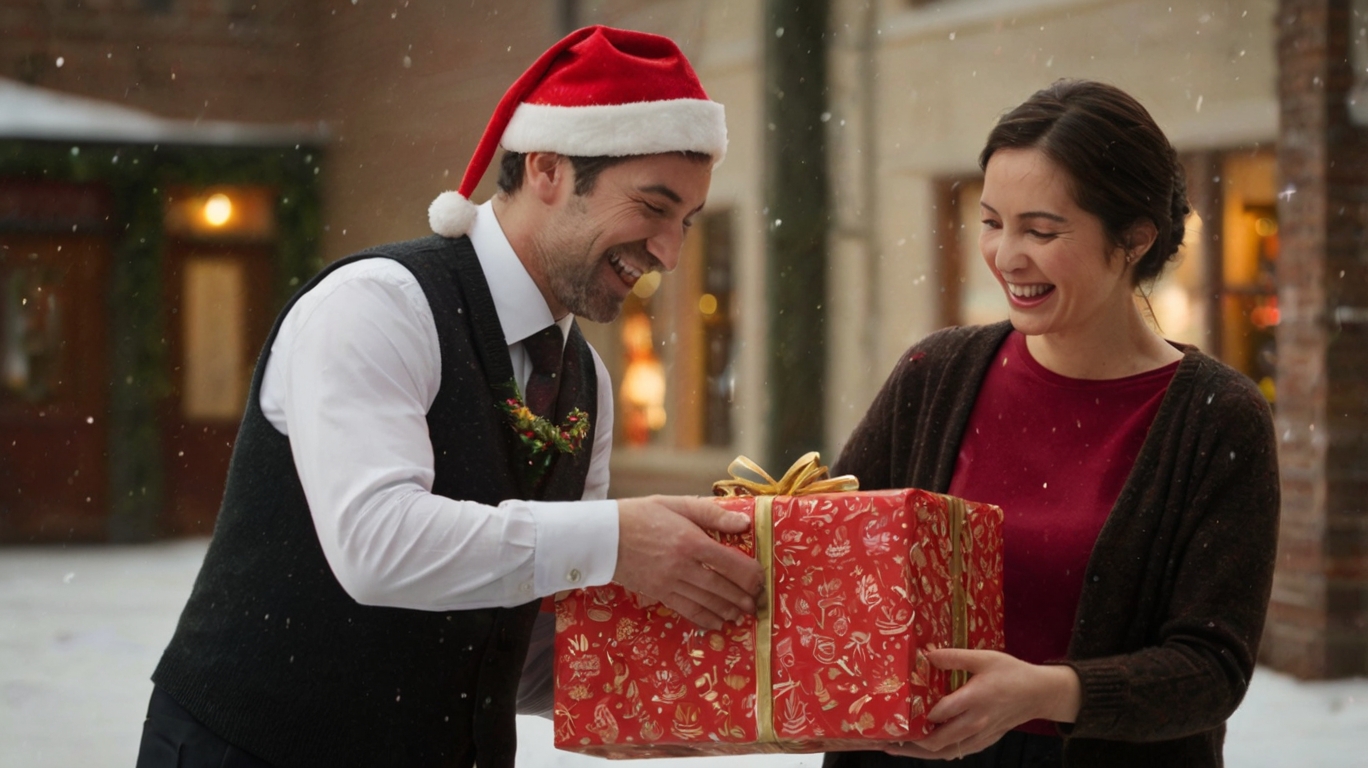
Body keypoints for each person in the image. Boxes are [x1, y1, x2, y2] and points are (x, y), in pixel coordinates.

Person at [136, 26, 764, 768]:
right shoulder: (379, 304)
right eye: (654, 207)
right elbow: (378, 546)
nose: (670, 251)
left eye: (686, 223)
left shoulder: (585, 378)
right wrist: (621, 540)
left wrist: (763, 692)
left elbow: (516, 644)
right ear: (548, 168)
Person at [825, 80, 1279, 767]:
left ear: (1134, 239)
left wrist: (1047, 692)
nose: (1008, 255)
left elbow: (1211, 668)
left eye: (1041, 230)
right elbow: (834, 560)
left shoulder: (1218, 420)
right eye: (991, 221)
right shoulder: (935, 373)